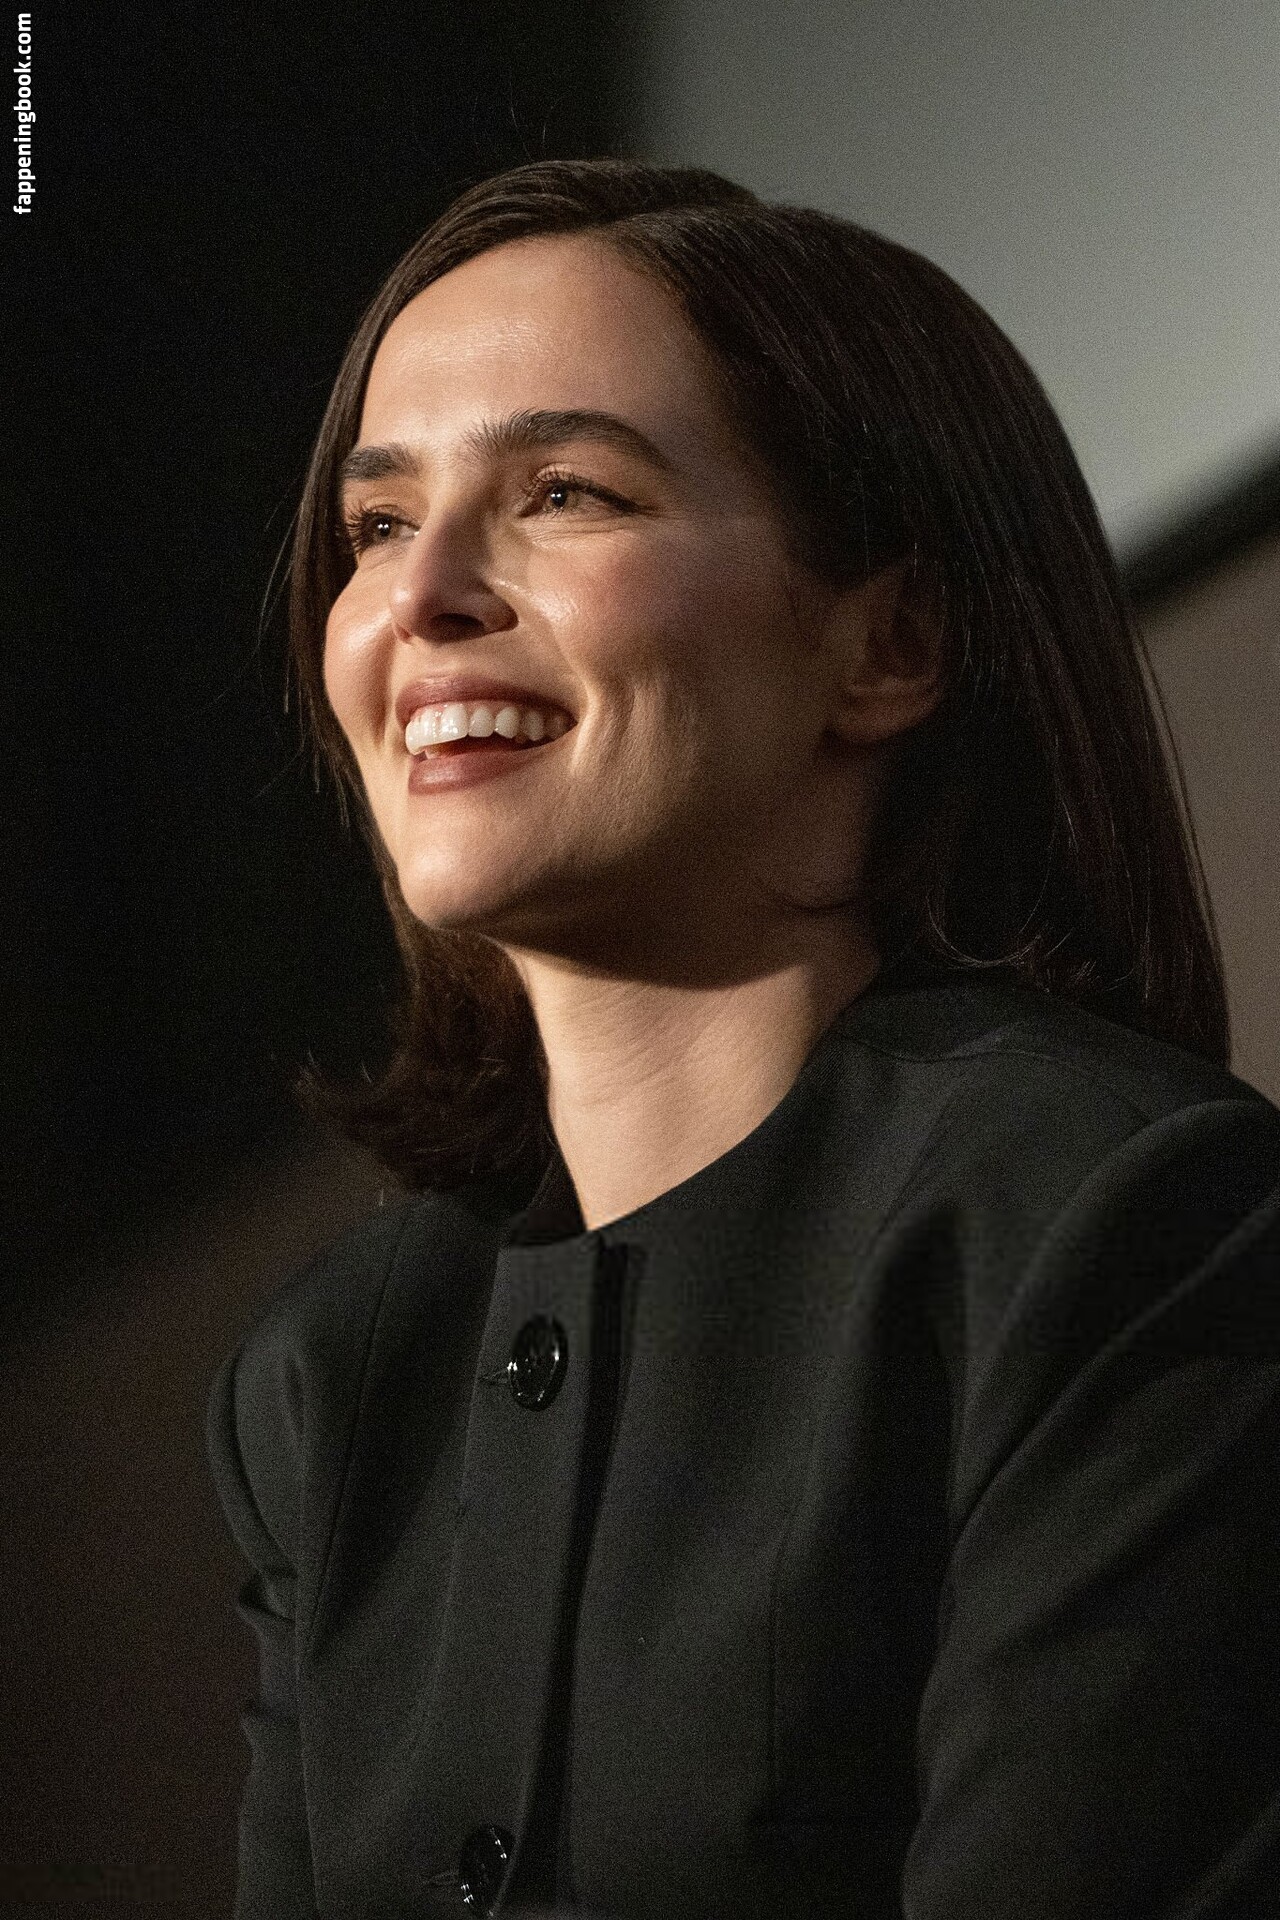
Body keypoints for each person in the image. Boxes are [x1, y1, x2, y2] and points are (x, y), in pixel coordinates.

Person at [205, 158, 1280, 1920]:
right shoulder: (331, 1376)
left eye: (564, 491)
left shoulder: (1116, 1225)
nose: (421, 596)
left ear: (889, 642)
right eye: (380, 525)